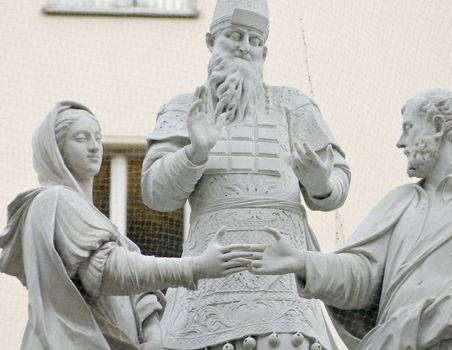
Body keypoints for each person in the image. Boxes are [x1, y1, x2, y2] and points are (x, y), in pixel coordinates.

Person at [141, 0, 351, 348]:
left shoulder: (293, 105)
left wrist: (321, 183)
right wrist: (195, 152)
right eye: (235, 35)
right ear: (211, 41)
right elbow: (156, 193)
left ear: (264, 52)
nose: (245, 46)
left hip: (283, 286)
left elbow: (338, 179)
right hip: (210, 281)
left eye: (255, 41)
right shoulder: (184, 107)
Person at [249, 89, 452, 349]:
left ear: (438, 126)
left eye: (409, 128)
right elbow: (362, 274)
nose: (401, 142)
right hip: (397, 341)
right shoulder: (400, 202)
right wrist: (303, 261)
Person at [0, 101, 261, 350]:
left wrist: (152, 333)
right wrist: (196, 267)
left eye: (98, 138)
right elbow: (106, 271)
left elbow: (139, 294)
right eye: (81, 138)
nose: (94, 147)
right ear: (55, 150)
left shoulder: (99, 223)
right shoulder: (54, 200)